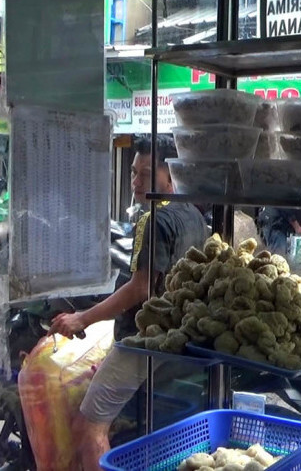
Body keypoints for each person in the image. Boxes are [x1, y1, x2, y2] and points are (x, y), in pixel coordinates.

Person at [49, 134, 208, 470]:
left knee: (88, 426)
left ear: (169, 175)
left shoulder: (155, 217)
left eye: (146, 174)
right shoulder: (193, 213)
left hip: (145, 344)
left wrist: (82, 319)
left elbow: (140, 289)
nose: (135, 181)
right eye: (134, 173)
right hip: (178, 340)